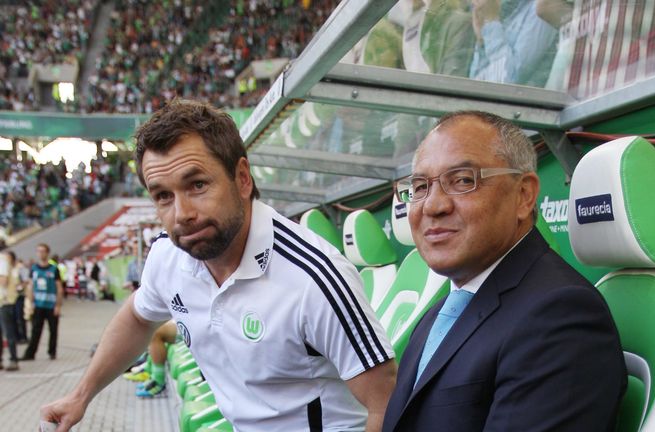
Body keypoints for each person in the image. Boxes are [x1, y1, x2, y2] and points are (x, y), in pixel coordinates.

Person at [41, 99, 396, 432]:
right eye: (163, 196)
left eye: (197, 185)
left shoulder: (314, 277)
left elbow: (385, 400)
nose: (182, 215)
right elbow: (137, 318)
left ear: (242, 178)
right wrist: (80, 396)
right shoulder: (167, 257)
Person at [383, 111, 626, 431]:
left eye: (462, 180)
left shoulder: (559, 315)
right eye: (419, 187)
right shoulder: (441, 311)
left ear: (524, 195)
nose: (432, 206)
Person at [469, 0, 558, 86]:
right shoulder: (506, 8)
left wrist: (491, 21)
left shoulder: (540, 10)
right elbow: (475, 84)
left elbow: (506, 84)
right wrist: (482, 43)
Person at [22, 243, 64, 361]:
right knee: (36, 330)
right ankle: (30, 353)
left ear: (47, 253)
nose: (40, 253)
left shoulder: (54, 269)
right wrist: (30, 303)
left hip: (51, 305)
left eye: (43, 251)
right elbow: (30, 287)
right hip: (38, 305)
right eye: (38, 251)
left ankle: (52, 352)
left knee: (53, 330)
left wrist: (58, 305)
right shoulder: (34, 269)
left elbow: (59, 288)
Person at [0, 251, 22, 371]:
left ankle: (14, 359)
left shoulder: (2, 261)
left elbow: (3, 281)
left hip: (5, 302)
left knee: (9, 333)